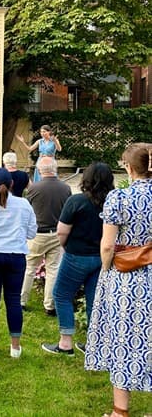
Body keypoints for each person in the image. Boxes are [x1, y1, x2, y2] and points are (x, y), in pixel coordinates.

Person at [85, 143, 152, 417]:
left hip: (126, 280)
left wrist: (105, 269)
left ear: (127, 167)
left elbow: (107, 246)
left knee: (124, 337)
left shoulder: (119, 198)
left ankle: (120, 412)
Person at [42, 162, 114, 356]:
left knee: (62, 294)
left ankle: (65, 343)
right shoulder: (113, 202)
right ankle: (94, 346)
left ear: (86, 179)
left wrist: (66, 247)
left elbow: (62, 231)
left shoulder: (77, 201)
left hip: (77, 255)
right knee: (94, 300)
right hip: (102, 257)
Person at [0, 168, 37, 358]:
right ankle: (15, 347)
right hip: (15, 256)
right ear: (12, 184)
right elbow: (31, 233)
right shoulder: (24, 204)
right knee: (13, 300)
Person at [20, 157, 71, 315]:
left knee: (29, 268)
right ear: (55, 169)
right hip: (57, 233)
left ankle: (21, 301)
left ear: (40, 170)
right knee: (53, 270)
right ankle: (49, 305)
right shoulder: (66, 188)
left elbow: (26, 210)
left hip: (38, 234)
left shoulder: (34, 188)